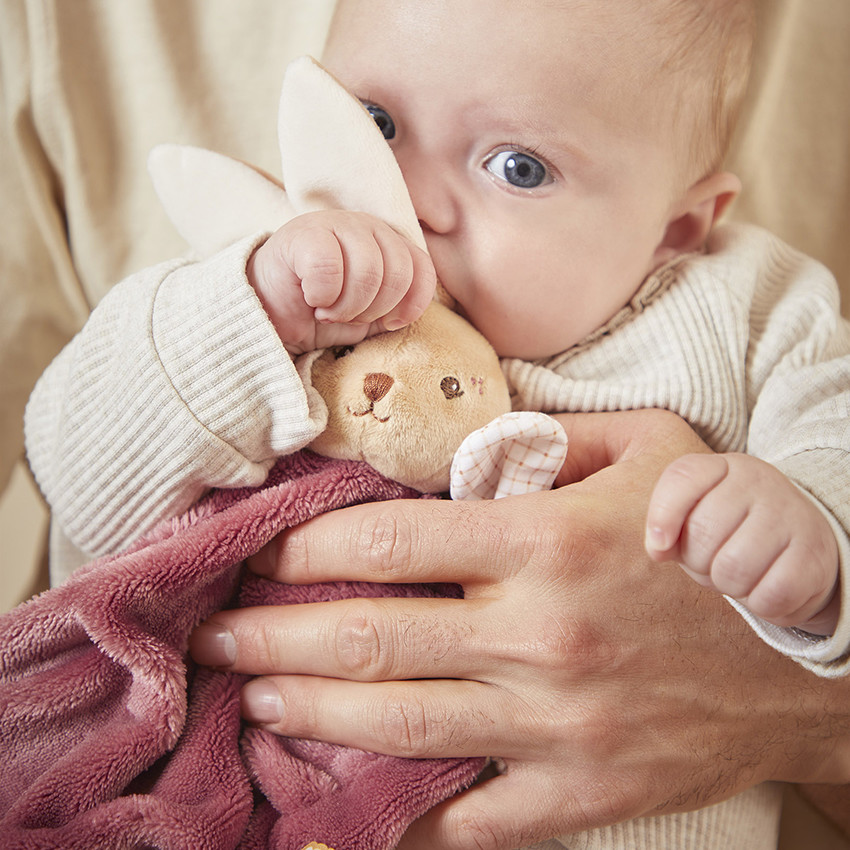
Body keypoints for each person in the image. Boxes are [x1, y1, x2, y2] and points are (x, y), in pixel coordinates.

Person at [5, 0, 850, 848]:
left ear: (675, 229)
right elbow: (77, 473)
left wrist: (813, 530)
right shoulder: (263, 292)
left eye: (518, 167)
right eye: (375, 123)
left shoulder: (741, 310)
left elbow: (836, 420)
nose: (416, 202)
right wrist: (249, 312)